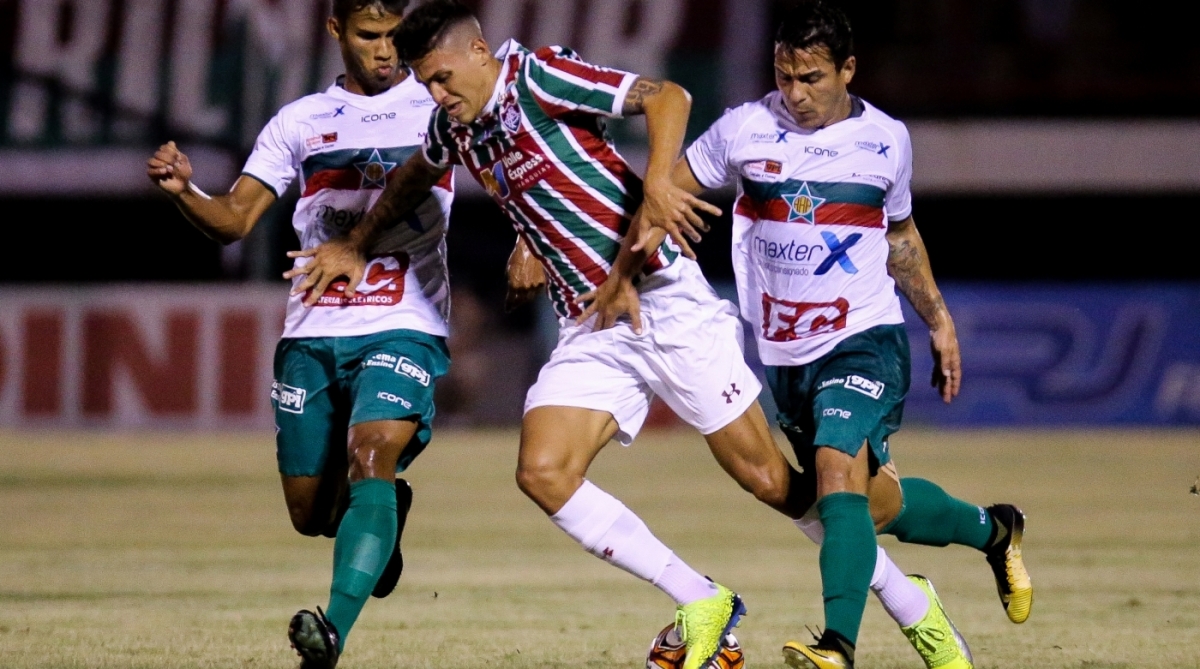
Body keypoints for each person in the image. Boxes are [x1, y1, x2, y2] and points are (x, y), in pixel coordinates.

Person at [293, 2, 982, 668]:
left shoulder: (537, 75)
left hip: (663, 298)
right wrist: (359, 239)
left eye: (442, 76)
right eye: (425, 83)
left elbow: (667, 96)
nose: (436, 93)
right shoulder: (460, 126)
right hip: (593, 317)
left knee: (772, 481)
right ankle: (703, 598)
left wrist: (657, 185)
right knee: (542, 470)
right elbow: (420, 170)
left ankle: (907, 599)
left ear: (479, 52)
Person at [624, 2, 1033, 668]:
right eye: (785, 77)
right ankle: (995, 530)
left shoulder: (886, 140)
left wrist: (938, 318)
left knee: (836, 466)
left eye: (811, 78)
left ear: (848, 69)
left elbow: (899, 238)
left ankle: (838, 645)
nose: (796, 94)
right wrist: (628, 242)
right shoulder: (744, 130)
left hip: (864, 337)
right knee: (870, 506)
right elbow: (665, 193)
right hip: (785, 356)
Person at [146, 2, 453, 667]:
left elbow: (513, 170)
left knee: (372, 450)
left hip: (405, 321)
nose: (385, 52)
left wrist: (531, 243)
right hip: (314, 329)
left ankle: (331, 631)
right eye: (369, 37)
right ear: (335, 30)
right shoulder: (301, 121)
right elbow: (234, 217)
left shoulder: (440, 106)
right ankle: (384, 512)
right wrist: (183, 189)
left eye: (395, 39)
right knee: (311, 512)